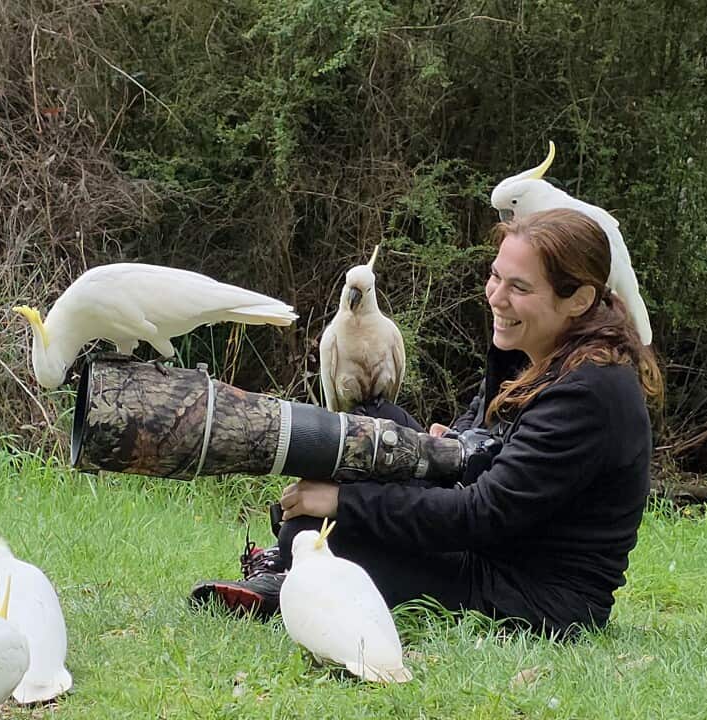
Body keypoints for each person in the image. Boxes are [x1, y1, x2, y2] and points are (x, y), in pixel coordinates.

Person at [190, 208, 663, 638]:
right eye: (495, 277)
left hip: (533, 598)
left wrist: (345, 501)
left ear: (578, 299)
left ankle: (289, 582)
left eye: (519, 288)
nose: (496, 297)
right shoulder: (535, 348)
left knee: (311, 528)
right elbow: (484, 428)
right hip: (496, 548)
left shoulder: (590, 392)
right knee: (375, 421)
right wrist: (449, 442)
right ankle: (299, 572)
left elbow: (482, 514)